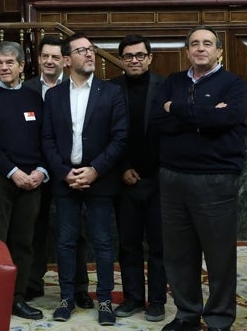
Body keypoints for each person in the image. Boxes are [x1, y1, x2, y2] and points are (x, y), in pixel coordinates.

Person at [151, 26, 247, 331]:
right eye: (195, 44)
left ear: (220, 51)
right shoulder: (173, 81)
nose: (201, 48)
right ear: (187, 51)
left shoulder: (233, 85)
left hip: (215, 179)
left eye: (208, 44)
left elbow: (224, 120)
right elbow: (158, 120)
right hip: (172, 178)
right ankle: (186, 314)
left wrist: (178, 110)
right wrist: (201, 116)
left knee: (219, 255)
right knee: (179, 254)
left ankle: (219, 319)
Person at [42, 33, 128, 325]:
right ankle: (67, 298)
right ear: (67, 60)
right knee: (65, 242)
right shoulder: (53, 95)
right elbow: (47, 139)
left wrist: (95, 170)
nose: (90, 55)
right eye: (82, 51)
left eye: (91, 50)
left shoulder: (111, 92)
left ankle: (104, 300)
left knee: (103, 243)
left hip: (99, 179)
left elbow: (120, 137)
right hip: (66, 179)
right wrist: (65, 172)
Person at [0, 40, 48, 321]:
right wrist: (13, 171)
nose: (4, 68)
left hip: (31, 181)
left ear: (21, 66)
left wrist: (41, 171)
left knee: (23, 241)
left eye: (9, 63)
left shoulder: (33, 98)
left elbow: (44, 137)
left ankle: (16, 298)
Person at [109, 34, 168, 322]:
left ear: (149, 58)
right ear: (121, 60)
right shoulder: (110, 89)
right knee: (129, 244)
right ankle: (133, 297)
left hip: (158, 179)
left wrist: (156, 172)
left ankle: (157, 300)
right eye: (129, 56)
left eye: (140, 55)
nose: (134, 60)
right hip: (124, 179)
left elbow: (170, 132)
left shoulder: (165, 87)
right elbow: (105, 133)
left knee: (158, 245)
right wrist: (122, 167)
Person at [21, 35, 68, 303]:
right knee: (34, 230)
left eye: (55, 56)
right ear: (38, 59)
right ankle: (32, 281)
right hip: (34, 172)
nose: (49, 61)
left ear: (65, 59)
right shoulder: (26, 88)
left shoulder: (74, 87)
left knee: (71, 230)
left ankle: (74, 287)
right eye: (45, 56)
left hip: (65, 170)